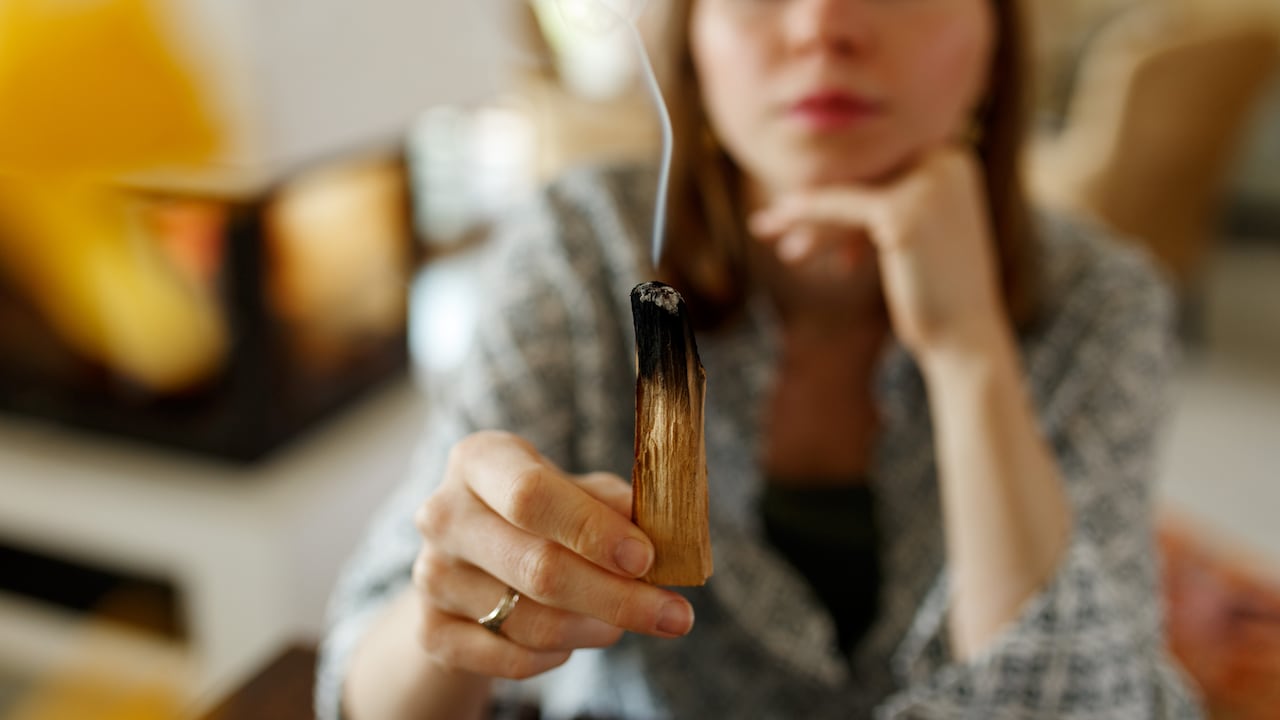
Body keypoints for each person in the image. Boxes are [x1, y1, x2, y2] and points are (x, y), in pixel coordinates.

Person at [318, 0, 1203, 717]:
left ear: (995, 41)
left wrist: (969, 348)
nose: (823, 24)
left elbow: (1087, 703)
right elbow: (364, 685)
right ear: (695, 40)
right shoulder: (582, 252)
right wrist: (457, 613)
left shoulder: (1101, 300)